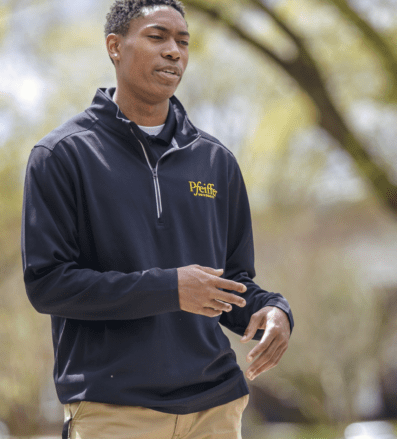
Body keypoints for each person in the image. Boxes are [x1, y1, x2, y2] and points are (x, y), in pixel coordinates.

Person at [20, 1, 293, 438]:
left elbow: (233, 282)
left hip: (215, 408)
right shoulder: (63, 156)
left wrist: (271, 311)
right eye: (157, 37)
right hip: (115, 409)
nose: (174, 51)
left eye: (183, 42)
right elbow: (48, 284)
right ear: (115, 46)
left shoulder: (216, 162)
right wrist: (169, 288)